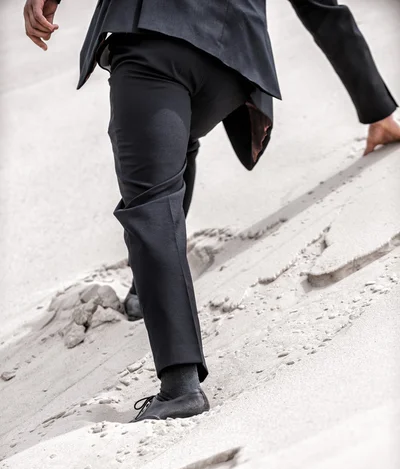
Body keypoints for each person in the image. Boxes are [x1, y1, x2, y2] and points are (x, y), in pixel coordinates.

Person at [23, 1, 399, 423]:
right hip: (232, 65)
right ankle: (146, 294)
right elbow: (319, 6)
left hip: (154, 39)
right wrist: (378, 109)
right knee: (173, 148)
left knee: (150, 203)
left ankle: (180, 385)